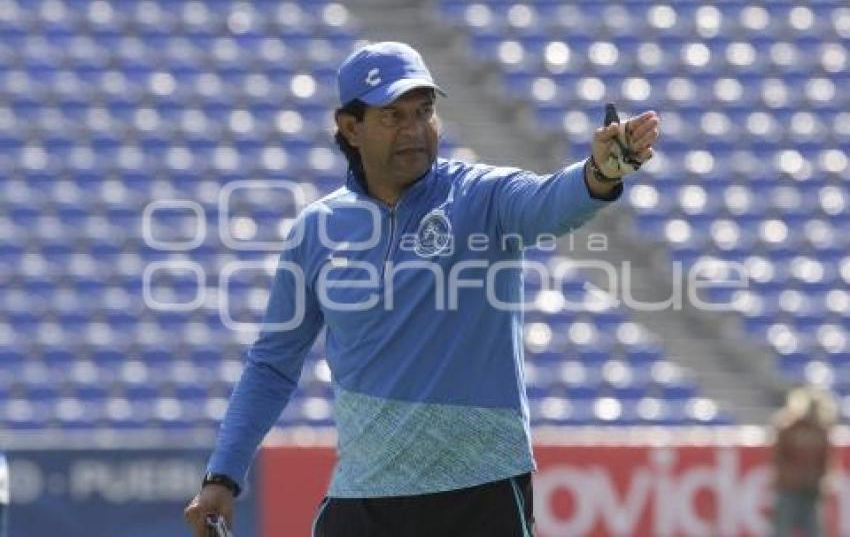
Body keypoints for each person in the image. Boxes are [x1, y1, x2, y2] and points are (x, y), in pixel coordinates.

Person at [184, 41, 660, 536]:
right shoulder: (316, 230)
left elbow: (551, 202)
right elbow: (272, 364)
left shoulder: (481, 196)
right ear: (350, 127)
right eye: (393, 115)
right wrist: (223, 474)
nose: (414, 130)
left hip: (480, 495)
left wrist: (602, 172)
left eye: (425, 111)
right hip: (363, 502)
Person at [771, 386, 836, 537]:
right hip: (789, 489)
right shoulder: (789, 429)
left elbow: (826, 460)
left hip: (811, 490)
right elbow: (779, 458)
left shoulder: (821, 432)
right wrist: (788, 477)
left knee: (814, 530)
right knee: (782, 529)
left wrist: (823, 479)